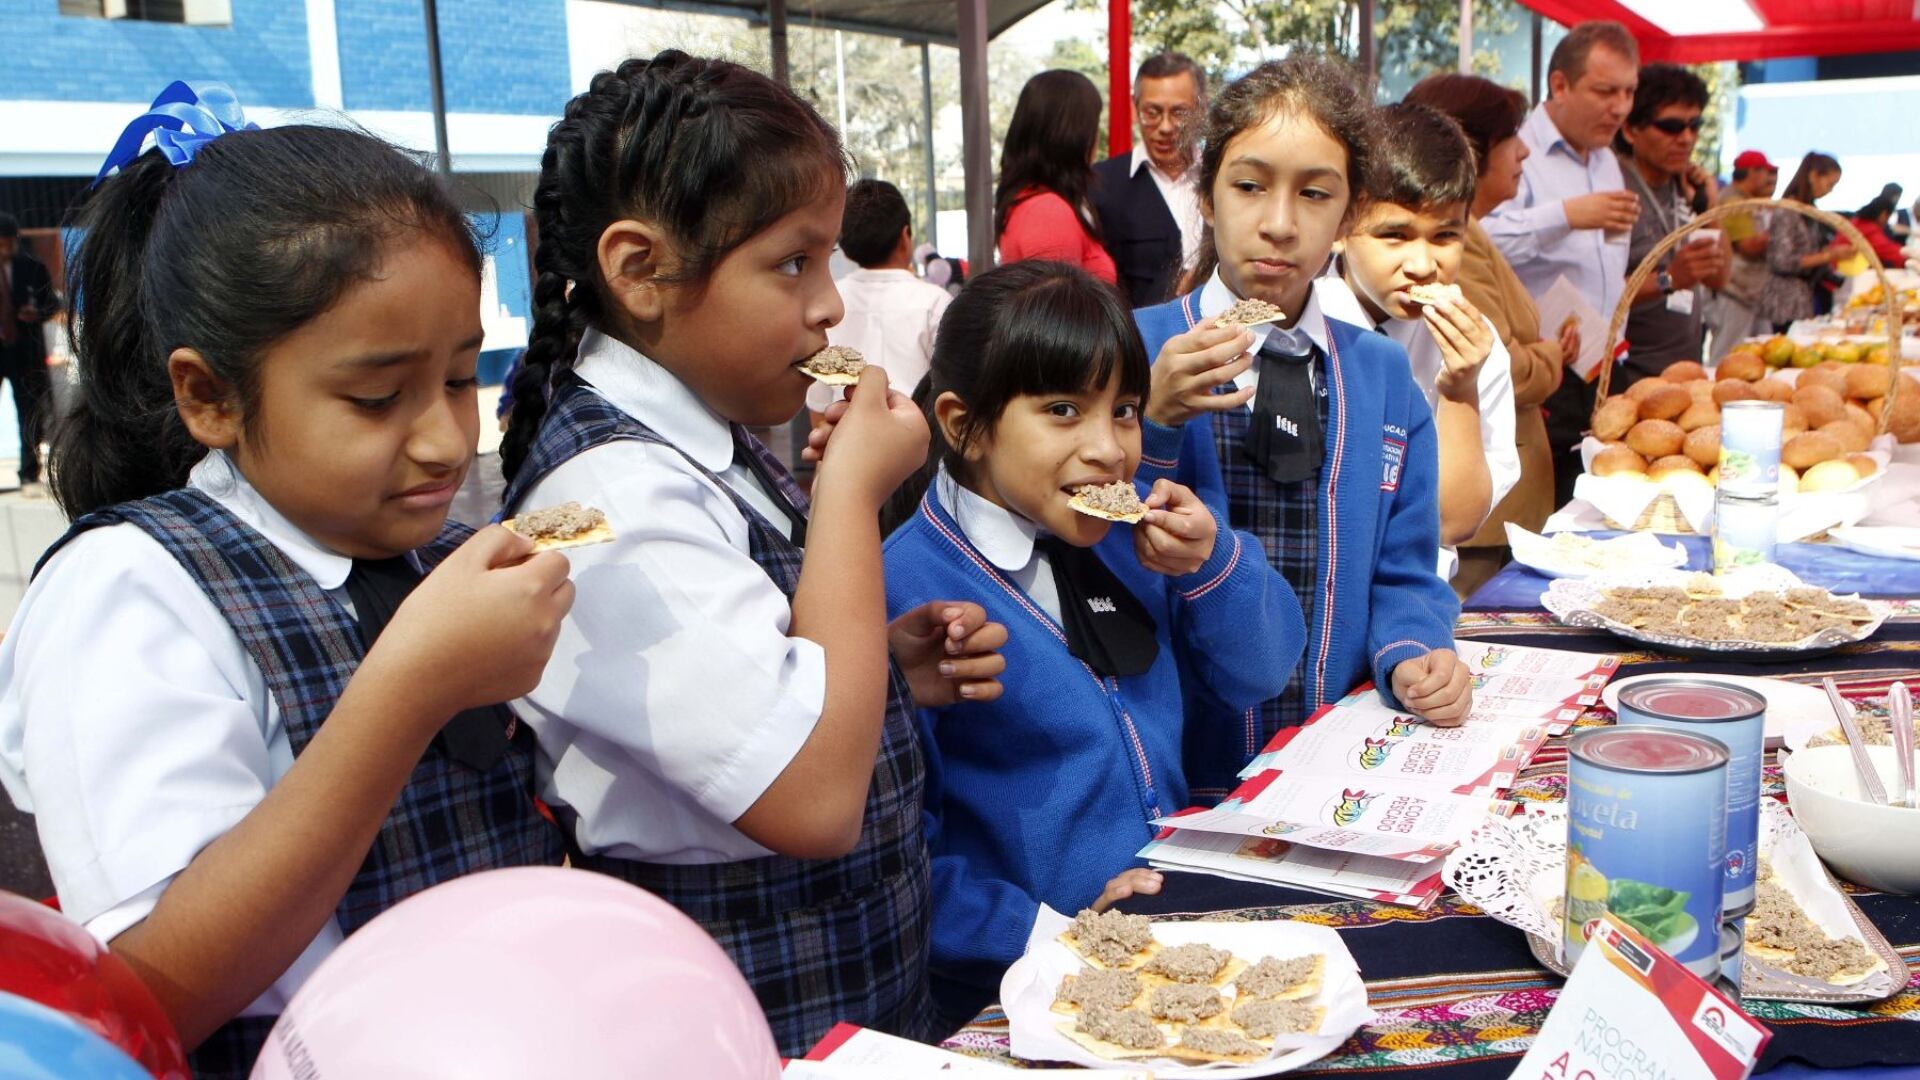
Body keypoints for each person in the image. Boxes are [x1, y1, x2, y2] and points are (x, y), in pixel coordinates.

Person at [0, 95, 573, 1079]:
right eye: (377, 397)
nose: (444, 439)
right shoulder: (128, 591)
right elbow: (154, 996)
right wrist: (411, 688)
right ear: (210, 396)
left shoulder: (426, 558)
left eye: (458, 378)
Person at [494, 52, 1006, 1056]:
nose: (829, 308)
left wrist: (880, 663)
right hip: (746, 1015)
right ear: (640, 271)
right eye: (791, 263)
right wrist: (853, 494)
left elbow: (768, 675)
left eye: (830, 263)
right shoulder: (611, 502)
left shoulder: (707, 441)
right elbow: (814, 799)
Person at [872, 259, 1302, 1027]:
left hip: (1166, 948)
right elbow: (903, 863)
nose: (1110, 448)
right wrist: (1057, 931)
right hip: (1017, 996)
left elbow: (1262, 672)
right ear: (961, 422)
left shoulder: (1130, 534)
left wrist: (1213, 567)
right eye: (1064, 410)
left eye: (1127, 410)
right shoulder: (906, 594)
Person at [1134, 54, 1473, 802]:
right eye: (1250, 186)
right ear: (1208, 196)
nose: (1279, 224)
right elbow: (1081, 547)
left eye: (1315, 194)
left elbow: (1404, 570)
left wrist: (1413, 649)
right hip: (1173, 775)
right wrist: (1153, 424)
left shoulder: (1385, 380)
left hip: (1334, 770)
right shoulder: (1132, 351)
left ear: (1348, 217)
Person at [1323, 101, 1520, 582]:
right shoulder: (1300, 326)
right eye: (1395, 235)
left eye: (1444, 236)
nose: (1422, 264)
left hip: (1414, 601)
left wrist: (1459, 390)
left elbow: (1453, 521)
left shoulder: (1473, 345)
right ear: (1340, 229)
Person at [1404, 75, 1570, 595]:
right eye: (1510, 138)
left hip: (1496, 506)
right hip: (1473, 526)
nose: (1523, 152)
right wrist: (1551, 358)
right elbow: (1484, 346)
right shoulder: (1454, 247)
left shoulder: (1471, 236)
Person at [1483, 20, 1640, 505]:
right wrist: (1565, 216)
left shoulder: (1607, 159)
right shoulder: (1518, 152)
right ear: (1559, 85)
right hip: (1542, 373)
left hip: (1604, 365)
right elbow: (1480, 240)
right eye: (1605, 91)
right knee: (1549, 514)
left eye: (1629, 92)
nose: (1620, 107)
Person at [1614, 64, 1731, 386]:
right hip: (1629, 378)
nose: (1687, 138)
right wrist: (1668, 279)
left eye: (1695, 125)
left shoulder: (1684, 186)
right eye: (1671, 127)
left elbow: (1719, 277)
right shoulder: (1613, 188)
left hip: (1684, 372)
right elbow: (1596, 294)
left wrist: (1711, 208)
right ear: (1630, 130)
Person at [805, 179, 952, 426]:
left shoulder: (828, 301)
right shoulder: (935, 302)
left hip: (845, 442)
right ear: (905, 236)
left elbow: (818, 404)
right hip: (917, 445)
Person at [1092, 52, 1208, 306]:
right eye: (1152, 113)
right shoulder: (1102, 184)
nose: (1165, 127)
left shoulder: (1223, 176)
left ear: (1201, 107)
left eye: (1179, 113)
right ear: (1135, 108)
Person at [994, 69, 1117, 285]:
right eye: (1094, 126)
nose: (1097, 137)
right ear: (1073, 136)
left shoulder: (1034, 201)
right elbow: (1058, 315)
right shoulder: (1048, 212)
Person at [0, 213, 60, 498]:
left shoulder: (31, 268)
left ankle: (29, 472)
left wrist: (35, 314)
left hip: (24, 351)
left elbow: (52, 304)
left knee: (28, 411)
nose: (5, 248)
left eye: (9, 242)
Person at [1757, 152, 1843, 333]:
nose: (1830, 191)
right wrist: (1828, 255)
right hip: (1784, 303)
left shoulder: (1809, 211)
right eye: (1830, 184)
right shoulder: (1788, 210)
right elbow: (1783, 261)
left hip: (1802, 301)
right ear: (1813, 176)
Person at [1709, 150, 1779, 362]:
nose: (1768, 179)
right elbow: (1748, 246)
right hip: (1733, 290)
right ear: (1752, 173)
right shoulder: (1734, 202)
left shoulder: (1749, 201)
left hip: (1750, 291)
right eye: (1765, 173)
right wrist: (1779, 235)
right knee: (1728, 354)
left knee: (1763, 350)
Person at [1847, 197, 1906, 266]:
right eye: (1888, 217)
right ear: (1884, 214)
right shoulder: (1869, 229)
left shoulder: (1855, 222)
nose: (1887, 222)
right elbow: (1890, 250)